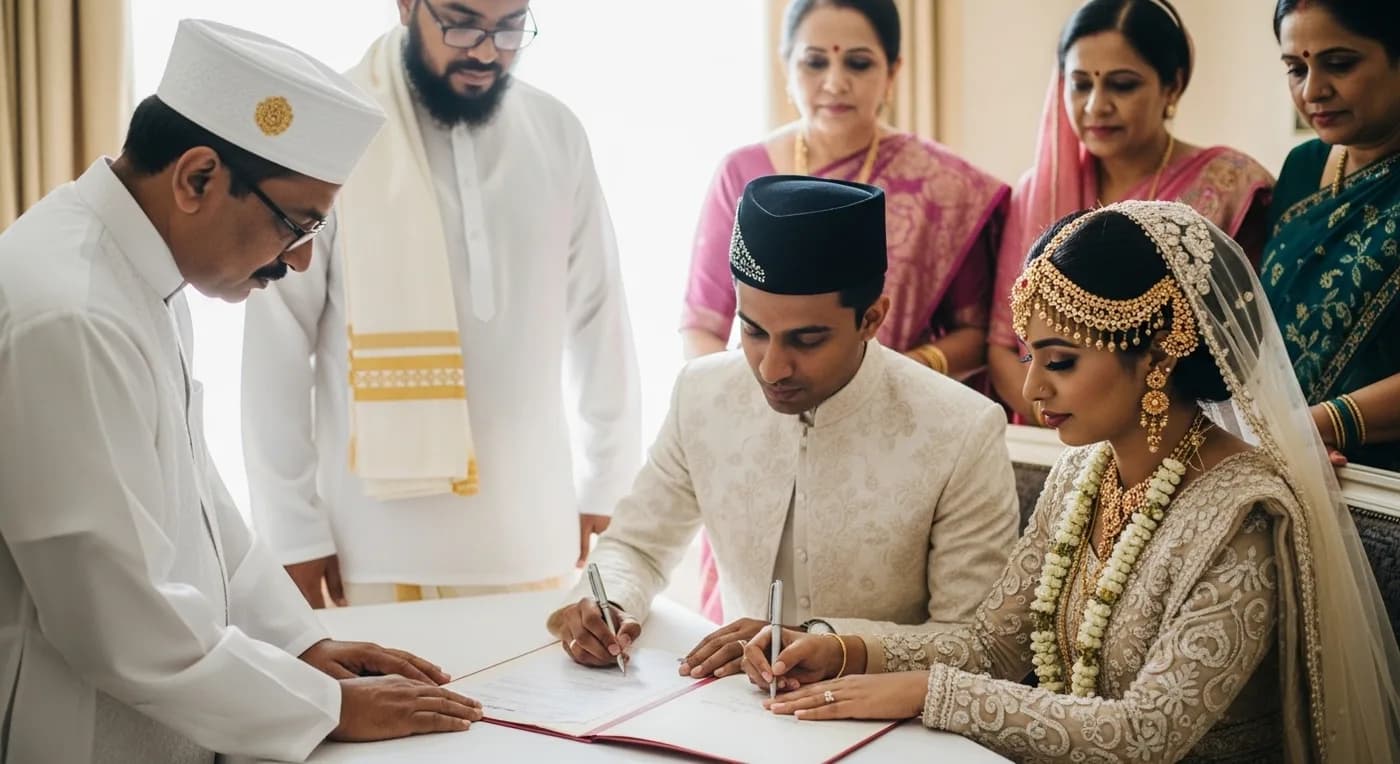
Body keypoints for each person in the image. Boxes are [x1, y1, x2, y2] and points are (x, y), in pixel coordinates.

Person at [739, 201, 1400, 762]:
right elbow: (991, 645)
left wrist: (926, 692)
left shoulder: (1243, 516)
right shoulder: (1085, 472)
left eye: (1060, 361)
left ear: (1160, 350)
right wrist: (841, 649)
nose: (1031, 388)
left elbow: (1149, 732)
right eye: (1030, 357)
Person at [0, 19, 482, 763]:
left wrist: (300, 645)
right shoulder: (72, 311)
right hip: (81, 728)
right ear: (197, 178)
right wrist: (326, 707)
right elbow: (116, 620)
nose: (298, 261)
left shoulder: (137, 271)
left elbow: (196, 498)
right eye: (295, 225)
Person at [242, 0, 640, 607]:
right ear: (405, 6)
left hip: (534, 534)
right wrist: (293, 527)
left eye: (510, 28)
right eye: (461, 22)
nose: (485, 50)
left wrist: (609, 485)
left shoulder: (555, 131)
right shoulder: (328, 135)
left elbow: (599, 316)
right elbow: (277, 344)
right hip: (368, 547)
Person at [548, 176, 1019, 682]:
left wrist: (835, 645)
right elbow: (637, 546)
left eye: (807, 339)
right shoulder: (703, 395)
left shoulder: (960, 429)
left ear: (872, 319)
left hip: (886, 725)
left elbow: (978, 644)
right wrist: (607, 604)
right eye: (753, 331)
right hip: (727, 711)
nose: (772, 368)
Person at [681, 0, 1009, 622]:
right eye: (814, 61)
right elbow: (702, 320)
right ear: (786, 69)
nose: (835, 82)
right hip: (762, 427)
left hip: (889, 433)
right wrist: (738, 406)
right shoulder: (745, 173)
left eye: (858, 62)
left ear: (893, 72)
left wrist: (893, 369)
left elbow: (974, 327)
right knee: (738, 641)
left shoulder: (945, 186)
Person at [987, 0, 1274, 423]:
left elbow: (1242, 354)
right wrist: (1068, 423)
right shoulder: (1038, 190)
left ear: (1172, 86)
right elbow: (1001, 346)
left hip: (1173, 440)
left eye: (1122, 85)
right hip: (1051, 434)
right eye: (1080, 84)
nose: (1096, 106)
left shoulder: (1230, 185)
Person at [1263, 0, 1400, 471]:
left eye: (1339, 64)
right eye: (1295, 68)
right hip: (1286, 459)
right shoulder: (1301, 169)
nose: (1313, 90)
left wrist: (1320, 423)